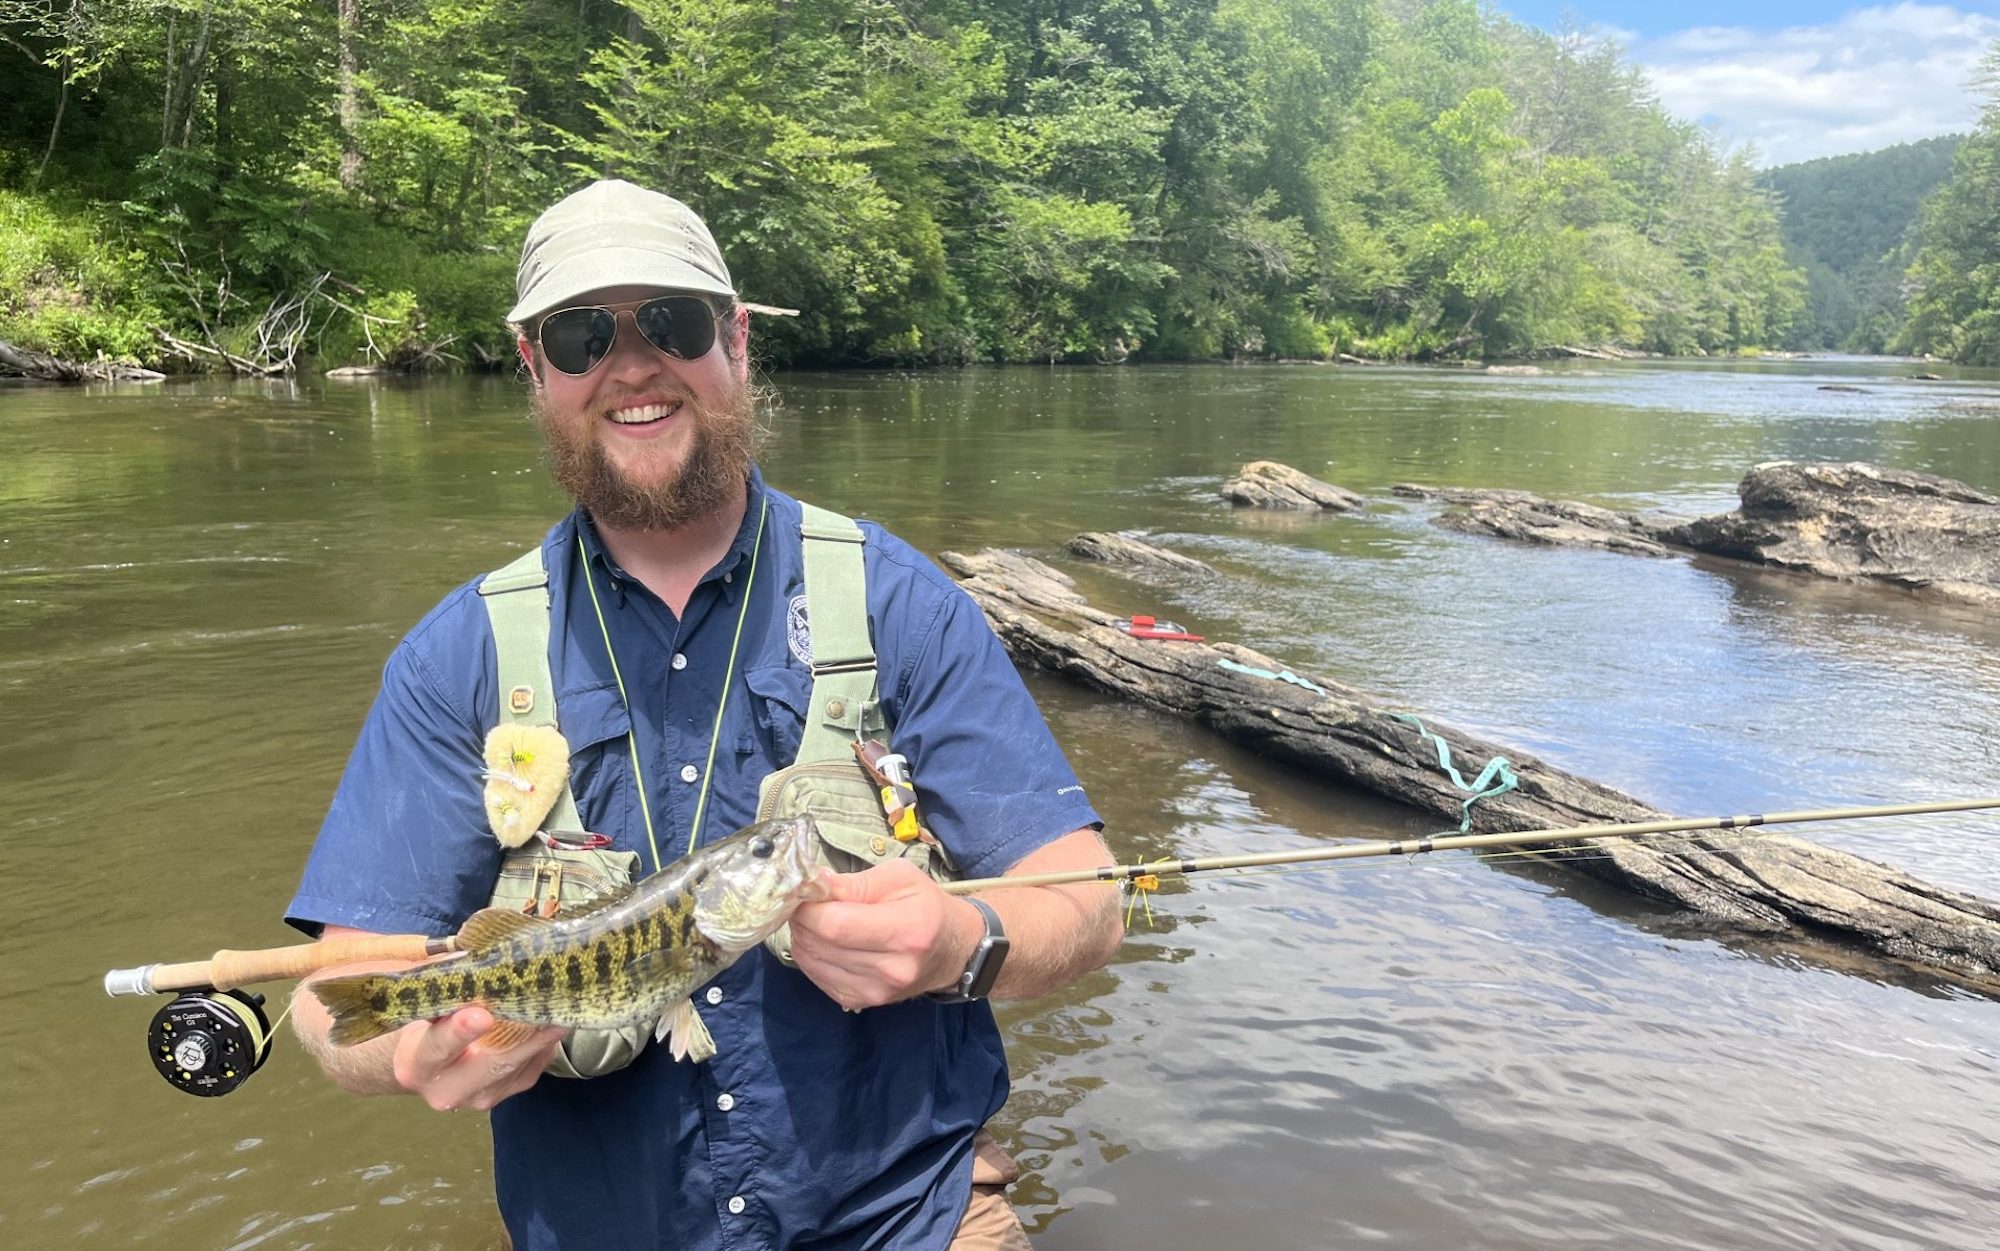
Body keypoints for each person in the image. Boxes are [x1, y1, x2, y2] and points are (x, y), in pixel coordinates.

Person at [284, 178, 1123, 1251]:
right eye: (582, 335)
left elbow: (1086, 902)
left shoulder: (898, 601)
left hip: (908, 1221)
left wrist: (963, 940)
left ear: (734, 342)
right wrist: (403, 1053)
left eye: (671, 325)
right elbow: (332, 994)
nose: (631, 365)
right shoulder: (456, 658)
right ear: (536, 368)